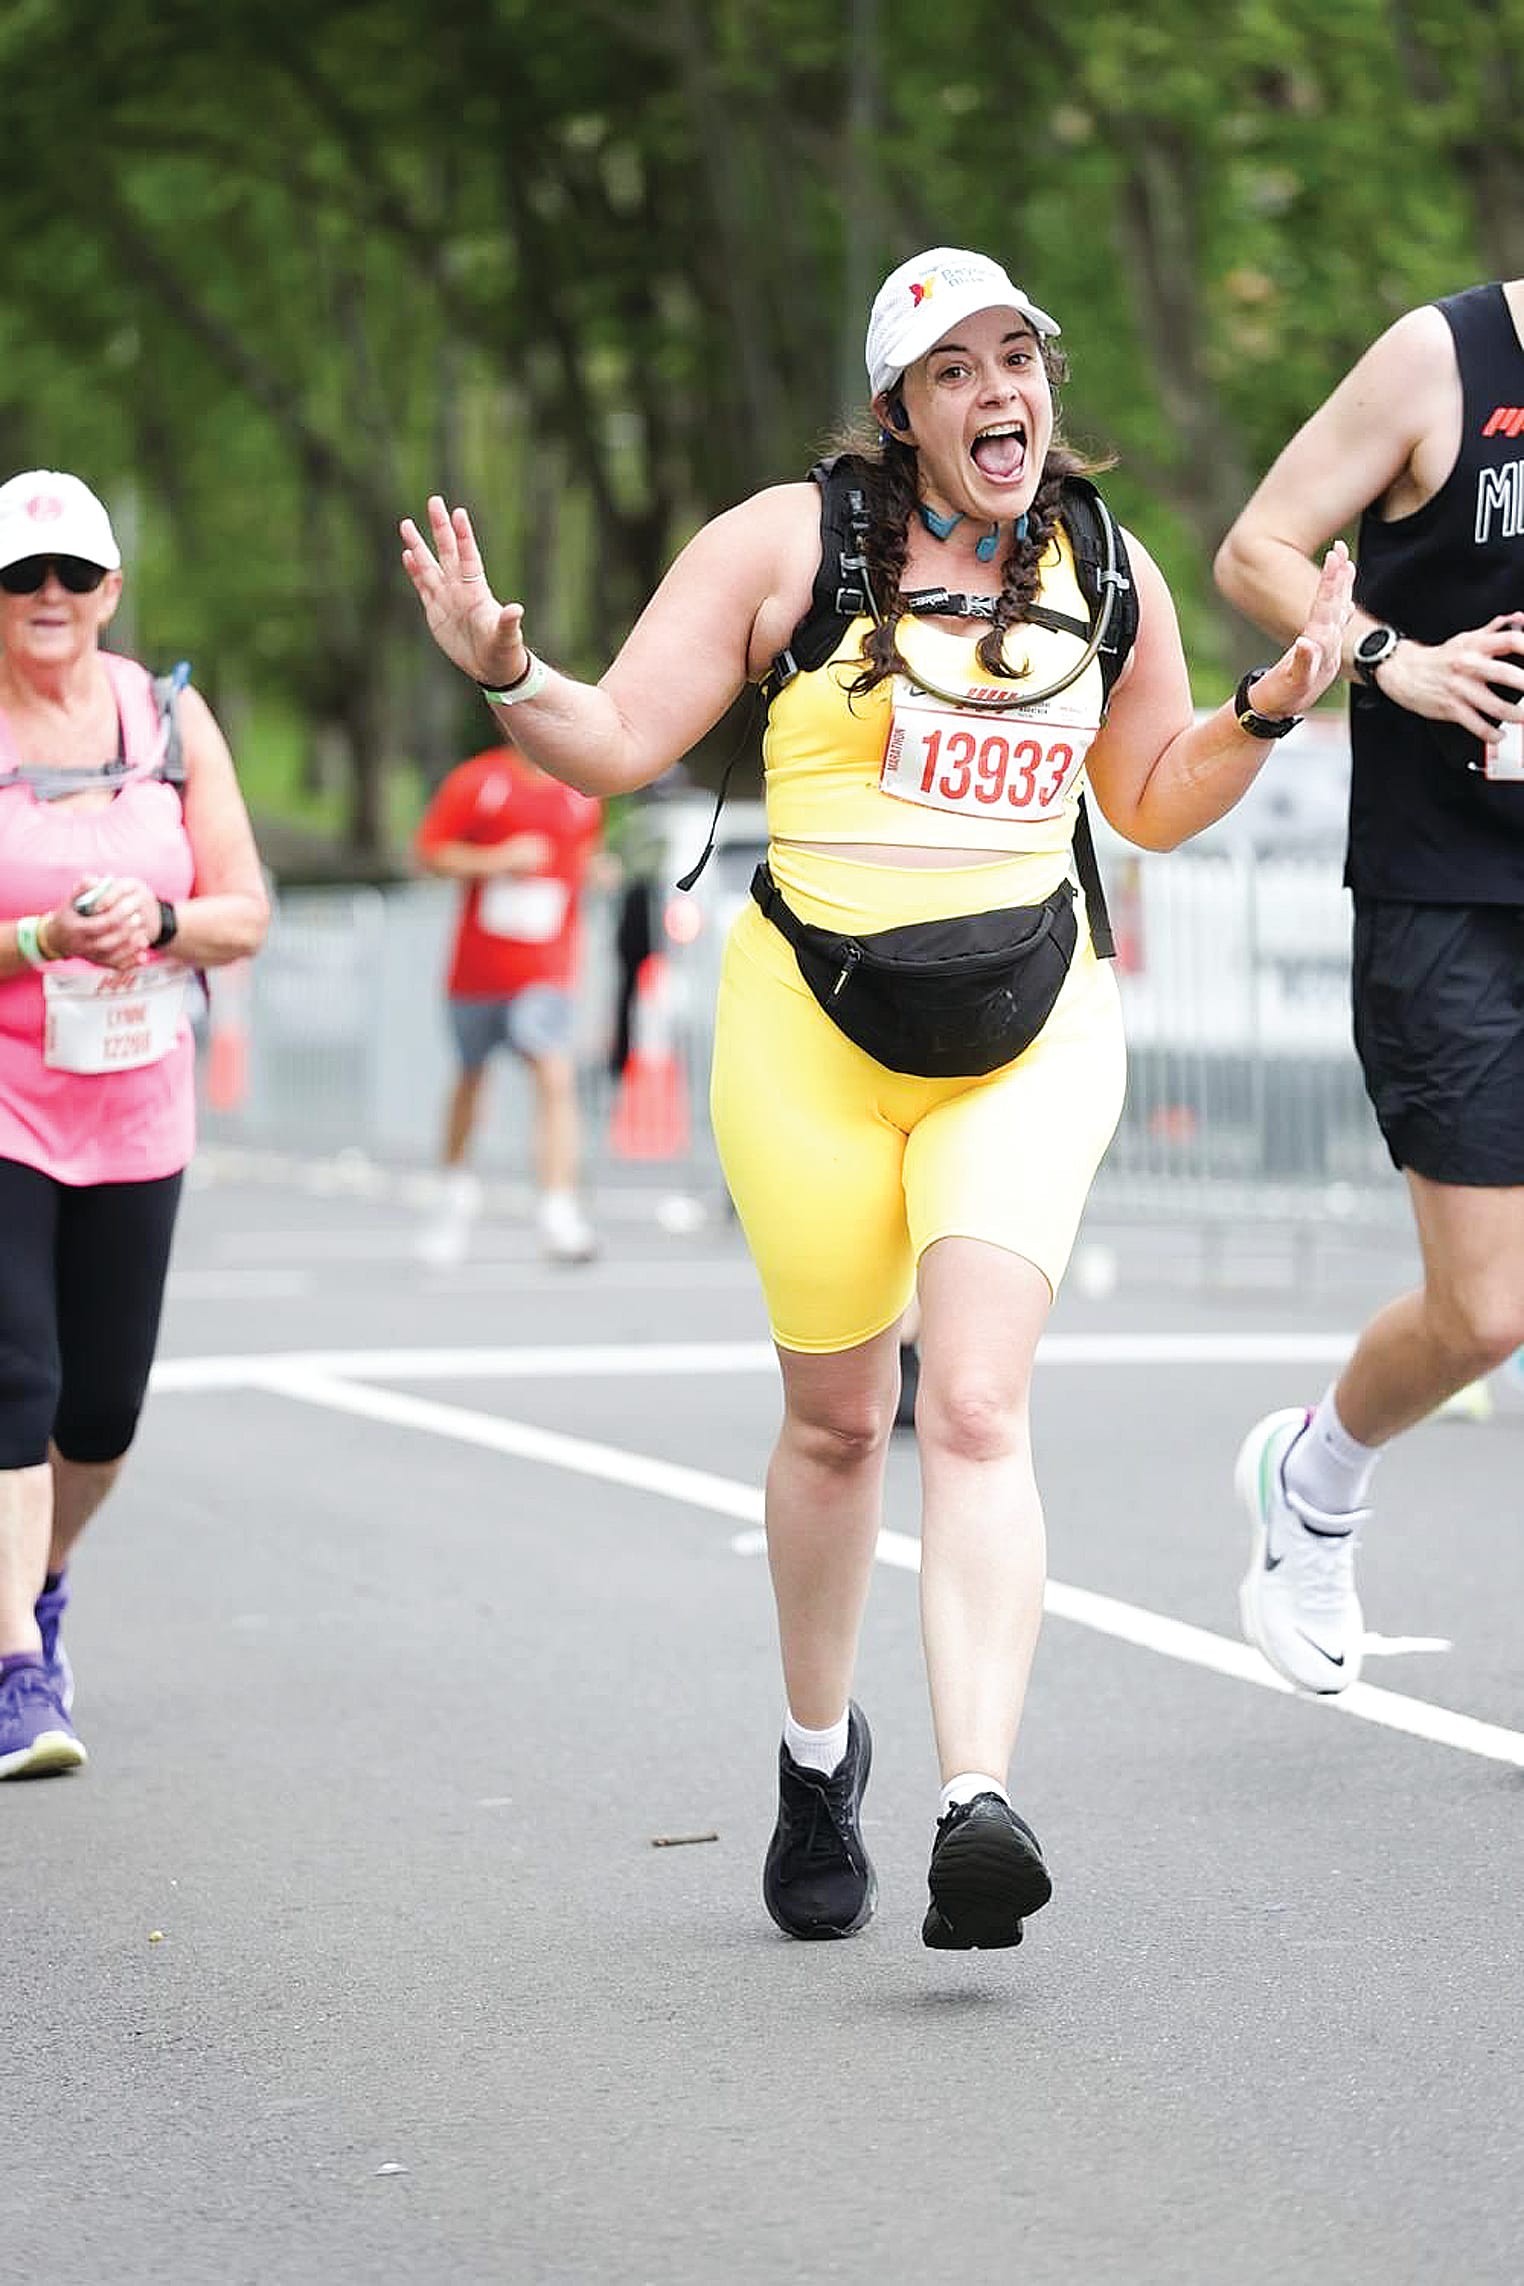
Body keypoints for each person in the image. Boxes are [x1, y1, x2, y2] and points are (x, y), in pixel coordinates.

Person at [401, 247, 1350, 1949]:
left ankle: (970, 1797)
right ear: (899, 409)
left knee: (972, 1408)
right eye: (954, 372)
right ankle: (814, 1752)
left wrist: (1266, 708)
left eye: (1018, 360)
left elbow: (1140, 799)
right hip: (809, 1037)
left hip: (1029, 1023)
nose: (999, 392)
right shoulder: (786, 544)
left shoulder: (1101, 566)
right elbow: (616, 737)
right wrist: (499, 670)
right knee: (841, 1423)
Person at [1215, 280, 1524, 1699]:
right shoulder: (1441, 359)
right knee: (1486, 1314)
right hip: (1447, 892)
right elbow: (1258, 548)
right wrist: (1393, 661)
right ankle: (1317, 1479)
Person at [0, 468, 269, 1777]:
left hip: (137, 1099)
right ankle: (13, 1674)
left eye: (70, 575)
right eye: (19, 577)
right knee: (18, 1380)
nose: (46, 597)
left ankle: (37, 1582)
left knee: (98, 1412)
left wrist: (156, 924)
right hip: (4, 1099)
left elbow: (246, 911)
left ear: (109, 590)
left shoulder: (167, 717)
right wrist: (40, 937)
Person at [412, 739, 602, 1266]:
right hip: (477, 971)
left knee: (553, 1072)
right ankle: (452, 1198)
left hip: (546, 968)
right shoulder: (479, 782)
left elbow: (581, 856)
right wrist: (499, 860)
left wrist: (592, 871)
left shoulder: (582, 792)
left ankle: (559, 1209)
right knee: (471, 1080)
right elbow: (430, 852)